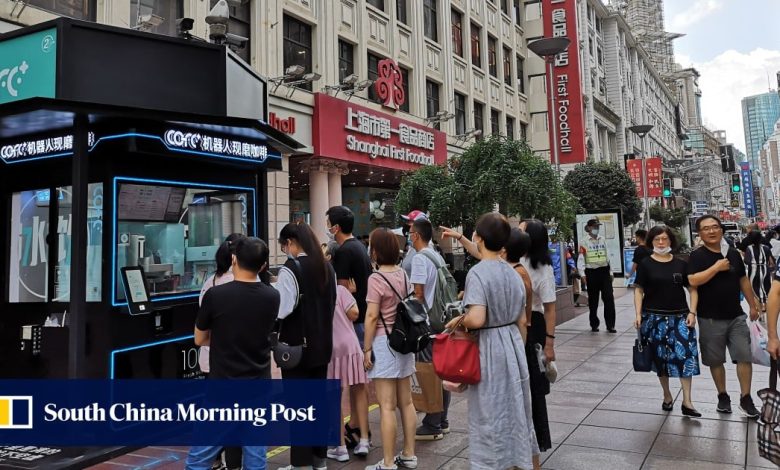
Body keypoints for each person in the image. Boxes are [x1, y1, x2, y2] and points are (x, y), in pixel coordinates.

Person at [444, 213, 538, 470]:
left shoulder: (478, 274)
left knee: (489, 410)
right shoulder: (514, 272)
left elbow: (476, 318)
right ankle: (516, 459)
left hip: (490, 346)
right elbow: (521, 320)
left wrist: (459, 320)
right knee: (515, 408)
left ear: (480, 238)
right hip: (513, 344)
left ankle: (491, 463)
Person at [186, 237, 279, 470]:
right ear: (263, 266)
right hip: (258, 385)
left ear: (234, 259)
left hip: (222, 387)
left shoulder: (216, 295)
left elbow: (199, 339)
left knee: (200, 456)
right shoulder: (272, 296)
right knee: (256, 455)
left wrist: (222, 338)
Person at [275, 223, 337, 470]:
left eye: (283, 245)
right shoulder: (326, 266)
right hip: (322, 345)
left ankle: (300, 463)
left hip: (297, 348)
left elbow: (283, 309)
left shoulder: (291, 269)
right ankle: (319, 460)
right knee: (318, 403)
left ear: (291, 242)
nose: (284, 250)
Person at [687, 215, 761, 419]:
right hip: (709, 318)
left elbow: (743, 279)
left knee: (744, 356)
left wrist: (753, 305)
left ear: (721, 230)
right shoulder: (697, 256)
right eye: (706, 229)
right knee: (715, 360)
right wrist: (716, 268)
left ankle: (746, 398)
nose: (711, 231)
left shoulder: (733, 254)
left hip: (736, 315)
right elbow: (692, 280)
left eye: (715, 227)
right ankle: (723, 395)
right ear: (699, 234)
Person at [363, 228, 418, 470]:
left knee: (386, 405)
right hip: (404, 341)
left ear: (375, 250)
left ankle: (387, 463)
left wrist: (366, 348)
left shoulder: (375, 279)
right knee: (406, 402)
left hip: (384, 344)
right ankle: (408, 454)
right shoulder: (403, 275)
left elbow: (372, 316)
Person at [633, 226, 701, 417]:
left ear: (671, 241)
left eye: (664, 239)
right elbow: (639, 290)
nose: (661, 243)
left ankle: (687, 401)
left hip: (680, 317)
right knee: (660, 359)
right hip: (653, 318)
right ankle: (667, 395)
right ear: (651, 242)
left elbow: (692, 289)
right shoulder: (646, 264)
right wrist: (638, 314)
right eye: (657, 240)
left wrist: (692, 312)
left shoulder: (681, 264)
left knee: (686, 357)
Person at [326, 205, 372, 454]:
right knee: (359, 383)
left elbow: (341, 293)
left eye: (328, 223)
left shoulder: (343, 252)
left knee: (340, 386)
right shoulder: (360, 247)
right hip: (361, 324)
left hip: (350, 327)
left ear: (336, 227)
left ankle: (344, 440)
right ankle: (360, 431)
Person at [197, 233, 245, 470]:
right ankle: (232, 459)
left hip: (212, 359)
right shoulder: (241, 284)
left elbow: (201, 332)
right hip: (237, 359)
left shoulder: (210, 284)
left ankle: (216, 457)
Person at [517, 219, 556, 468]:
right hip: (518, 325)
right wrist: (463, 239)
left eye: (519, 231)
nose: (515, 233)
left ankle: (534, 453)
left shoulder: (542, 269)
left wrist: (550, 343)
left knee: (533, 390)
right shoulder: (513, 259)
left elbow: (551, 309)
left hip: (534, 327)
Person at [408, 218, 450, 442]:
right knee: (440, 370)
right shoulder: (436, 255)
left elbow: (419, 294)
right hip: (441, 320)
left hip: (427, 322)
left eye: (410, 230)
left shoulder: (419, 259)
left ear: (416, 235)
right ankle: (442, 420)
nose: (408, 233)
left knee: (429, 371)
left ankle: (433, 422)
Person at [577, 218, 616, 333]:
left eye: (597, 227)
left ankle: (610, 325)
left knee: (609, 298)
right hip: (591, 272)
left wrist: (611, 272)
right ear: (589, 228)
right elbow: (581, 258)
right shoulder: (584, 242)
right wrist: (582, 274)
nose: (596, 229)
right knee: (593, 301)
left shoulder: (602, 240)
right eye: (594, 227)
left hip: (604, 271)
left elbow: (608, 256)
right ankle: (594, 324)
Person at [744, 230, 775, 313]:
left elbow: (747, 261)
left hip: (753, 272)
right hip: (765, 271)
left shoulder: (749, 248)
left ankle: (760, 312)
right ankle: (765, 305)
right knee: (765, 289)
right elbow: (770, 261)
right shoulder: (766, 248)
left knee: (755, 291)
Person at [400, 210, 432, 277]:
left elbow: (419, 286)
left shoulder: (421, 254)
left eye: (410, 225)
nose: (407, 229)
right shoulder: (413, 248)